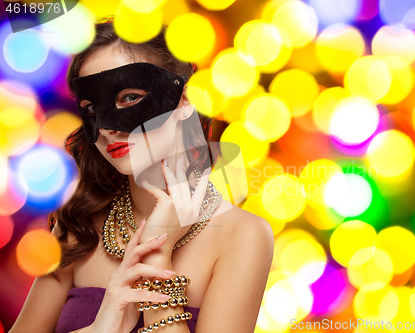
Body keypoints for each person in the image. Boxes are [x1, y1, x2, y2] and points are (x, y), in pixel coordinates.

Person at [9, 22, 274, 333]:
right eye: (92, 109)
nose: (107, 127)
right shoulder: (80, 227)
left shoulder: (243, 235)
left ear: (185, 100)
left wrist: (157, 256)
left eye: (130, 98)